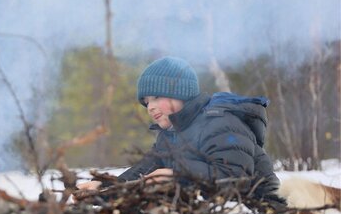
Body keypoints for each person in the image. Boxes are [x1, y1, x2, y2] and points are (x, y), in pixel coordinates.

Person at [77, 56, 280, 200]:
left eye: (157, 97)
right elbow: (145, 170)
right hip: (216, 210)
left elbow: (236, 179)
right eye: (146, 102)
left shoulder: (221, 123)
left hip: (263, 208)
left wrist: (176, 176)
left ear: (181, 94)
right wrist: (104, 188)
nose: (151, 107)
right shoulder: (170, 134)